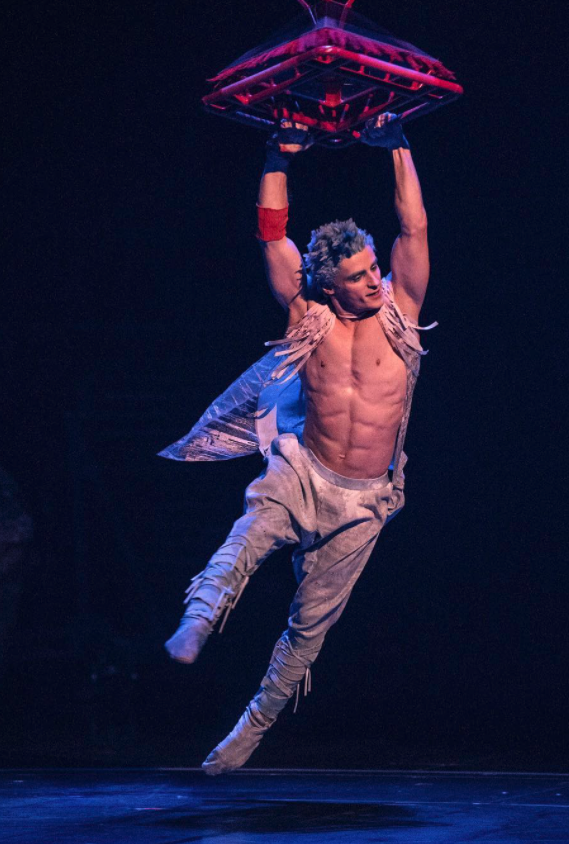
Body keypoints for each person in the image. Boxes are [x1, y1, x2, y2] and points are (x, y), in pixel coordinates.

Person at [160, 113, 433, 774]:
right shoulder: (307, 318)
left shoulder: (401, 311)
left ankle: (251, 728)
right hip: (301, 472)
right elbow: (272, 236)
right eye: (359, 276)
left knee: (310, 626)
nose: (374, 280)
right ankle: (198, 618)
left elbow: (414, 229)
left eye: (374, 268)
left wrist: (397, 146)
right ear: (328, 285)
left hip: (364, 500)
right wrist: (277, 157)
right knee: (248, 536)